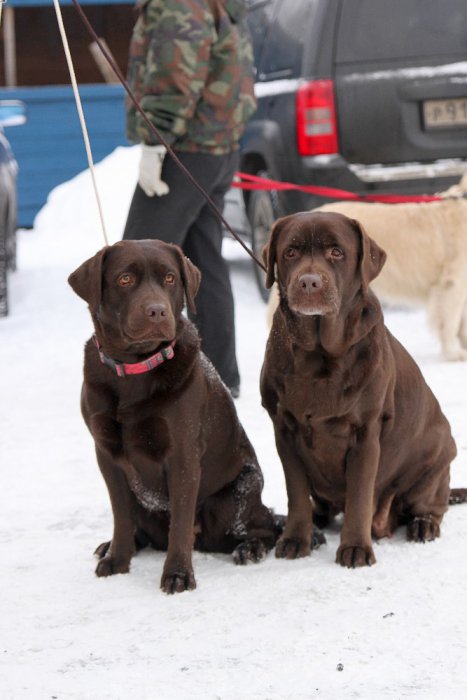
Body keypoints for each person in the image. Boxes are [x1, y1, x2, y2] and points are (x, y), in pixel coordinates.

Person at [123, 0, 257, 398]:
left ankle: (139, 379)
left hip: (185, 146)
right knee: (202, 262)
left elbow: (175, 72)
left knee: (135, 262)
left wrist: (156, 139)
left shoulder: (179, 2)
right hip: (215, 145)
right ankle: (218, 378)